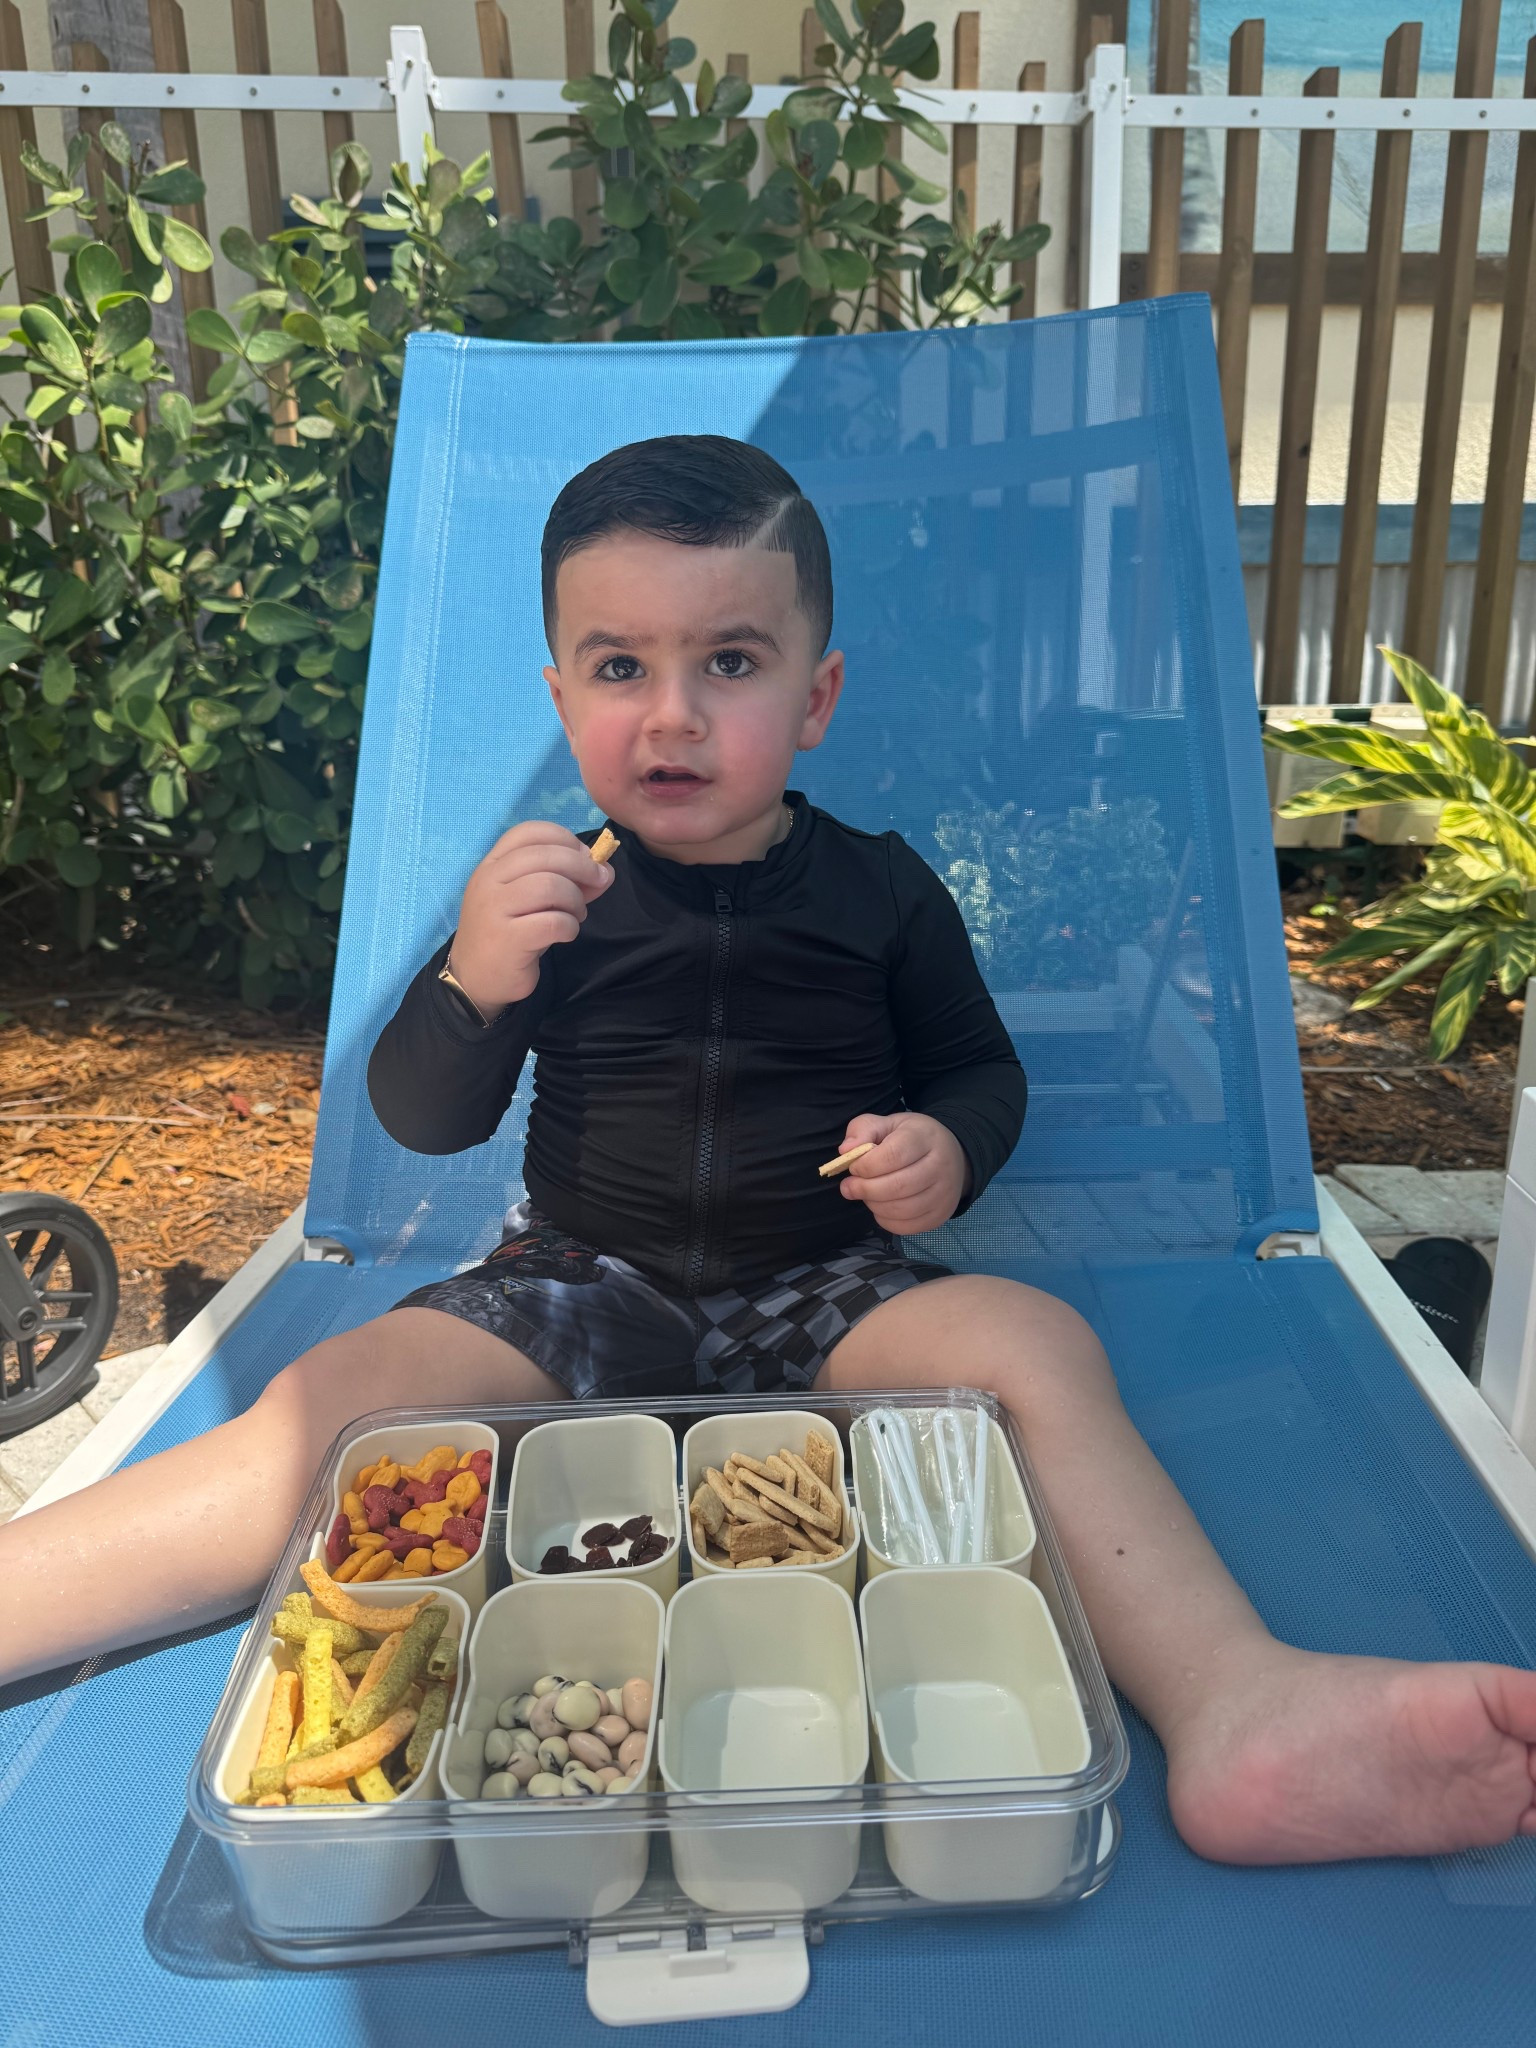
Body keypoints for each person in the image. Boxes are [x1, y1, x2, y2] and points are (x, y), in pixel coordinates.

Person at [5, 434, 1536, 1869]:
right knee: (326, 1409)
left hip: (824, 1282)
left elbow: (979, 1072)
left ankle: (1234, 1701)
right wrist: (471, 983)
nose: (670, 713)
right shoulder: (546, 895)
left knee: (1031, 1341)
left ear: (815, 696)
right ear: (561, 694)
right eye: (621, 667)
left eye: (728, 663)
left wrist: (945, 1145)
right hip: (577, 1283)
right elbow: (428, 1120)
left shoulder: (881, 893)